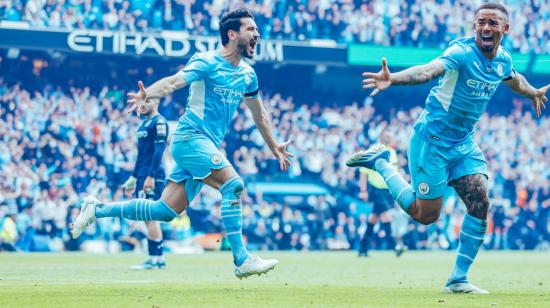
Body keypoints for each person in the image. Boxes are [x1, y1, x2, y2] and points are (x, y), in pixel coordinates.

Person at [71, 8, 294, 279]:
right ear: (232, 34)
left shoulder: (248, 75)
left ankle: (97, 209)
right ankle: (241, 259)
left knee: (164, 211)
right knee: (233, 185)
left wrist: (273, 146)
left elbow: (259, 113)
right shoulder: (207, 61)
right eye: (251, 29)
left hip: (206, 145)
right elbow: (175, 82)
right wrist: (148, 93)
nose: (257, 34)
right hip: (190, 139)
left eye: (257, 29)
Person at [346, 2, 548, 294]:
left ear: (506, 29)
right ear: (475, 25)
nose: (486, 28)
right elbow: (428, 71)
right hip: (433, 141)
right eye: (481, 22)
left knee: (480, 200)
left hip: (463, 143)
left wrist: (532, 92)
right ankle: (381, 164)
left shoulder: (502, 59)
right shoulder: (461, 53)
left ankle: (458, 278)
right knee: (425, 216)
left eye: (493, 23)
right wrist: (395, 78)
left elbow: (513, 79)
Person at [121, 98, 168, 270]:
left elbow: (158, 152)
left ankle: (154, 259)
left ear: (156, 102)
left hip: (152, 175)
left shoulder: (160, 122)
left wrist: (151, 176)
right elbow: (141, 155)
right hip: (142, 175)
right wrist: (133, 178)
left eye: (147, 100)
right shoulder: (144, 124)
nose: (143, 104)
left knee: (150, 216)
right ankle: (159, 258)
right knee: (148, 217)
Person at [357, 132, 405, 257]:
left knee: (373, 218)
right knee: (386, 216)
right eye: (387, 136)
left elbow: (395, 172)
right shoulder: (373, 151)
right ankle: (394, 246)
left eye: (390, 136)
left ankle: (363, 248)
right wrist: (363, 190)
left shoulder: (392, 152)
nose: (389, 138)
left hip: (387, 190)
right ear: (381, 138)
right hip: (376, 188)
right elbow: (363, 172)